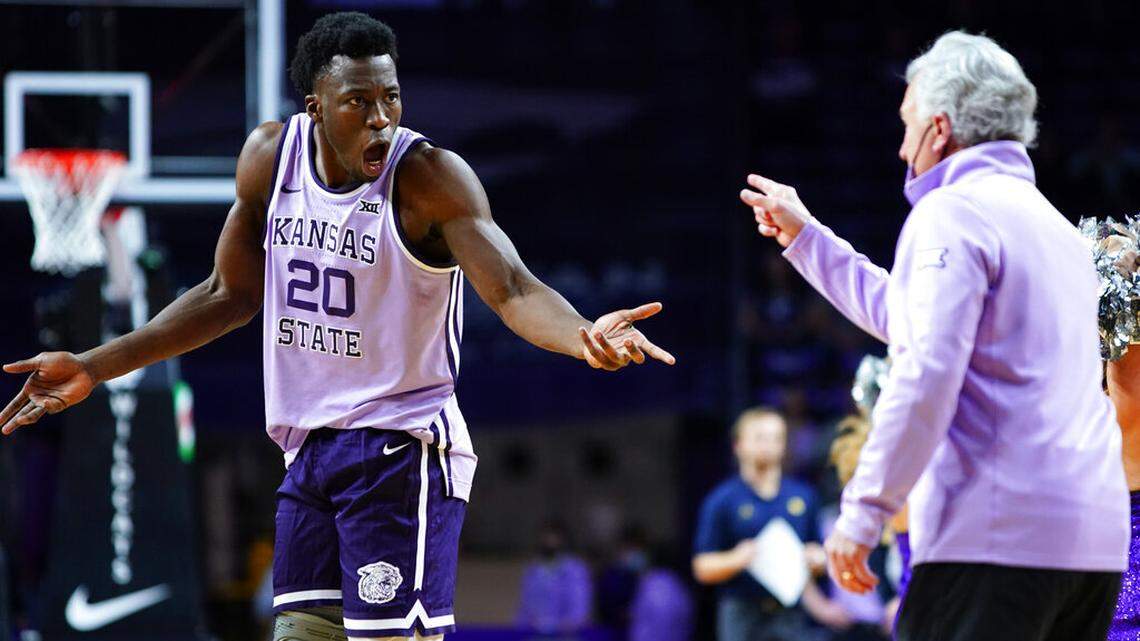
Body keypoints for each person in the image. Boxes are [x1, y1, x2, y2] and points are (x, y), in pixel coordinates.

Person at [0, 12, 674, 641]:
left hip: (400, 450)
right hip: (309, 452)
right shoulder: (271, 158)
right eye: (359, 102)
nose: (380, 118)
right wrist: (94, 365)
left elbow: (515, 288)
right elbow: (225, 294)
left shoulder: (429, 178)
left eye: (391, 97)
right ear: (316, 106)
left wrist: (584, 334)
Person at [740, 30, 1128, 641]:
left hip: (997, 542)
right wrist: (809, 240)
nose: (901, 149)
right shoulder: (1056, 229)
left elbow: (924, 374)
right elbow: (910, 315)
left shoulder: (953, 211)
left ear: (939, 128)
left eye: (906, 125)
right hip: (1094, 550)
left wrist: (864, 512)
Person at [692, 408, 848, 641]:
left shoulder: (802, 497)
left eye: (776, 438)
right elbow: (702, 566)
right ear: (738, 445)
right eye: (759, 437)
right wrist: (737, 558)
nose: (768, 444)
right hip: (742, 612)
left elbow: (818, 555)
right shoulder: (722, 500)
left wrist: (816, 560)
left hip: (790, 612)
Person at [515, 520, 593, 636]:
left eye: (553, 537)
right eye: (545, 537)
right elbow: (525, 607)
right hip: (535, 635)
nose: (548, 541)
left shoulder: (575, 570)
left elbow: (579, 608)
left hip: (565, 635)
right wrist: (522, 629)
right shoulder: (532, 569)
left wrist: (560, 627)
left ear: (562, 540)